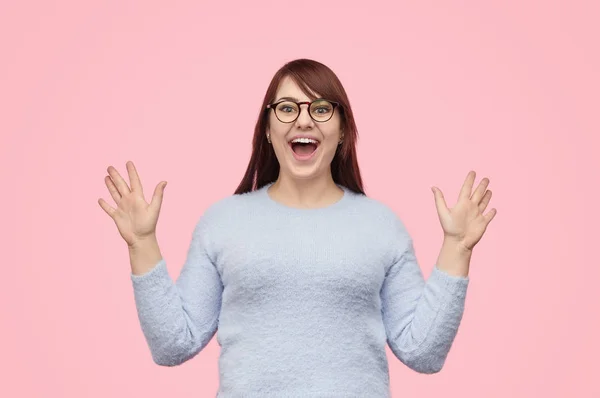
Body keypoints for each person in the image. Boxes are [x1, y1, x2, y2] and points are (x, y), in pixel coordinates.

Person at [98, 58, 496, 397]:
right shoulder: (223, 221)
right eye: (287, 108)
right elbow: (172, 345)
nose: (303, 119)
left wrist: (457, 248)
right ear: (268, 129)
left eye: (321, 108)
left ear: (342, 131)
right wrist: (142, 243)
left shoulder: (381, 226)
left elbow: (423, 353)